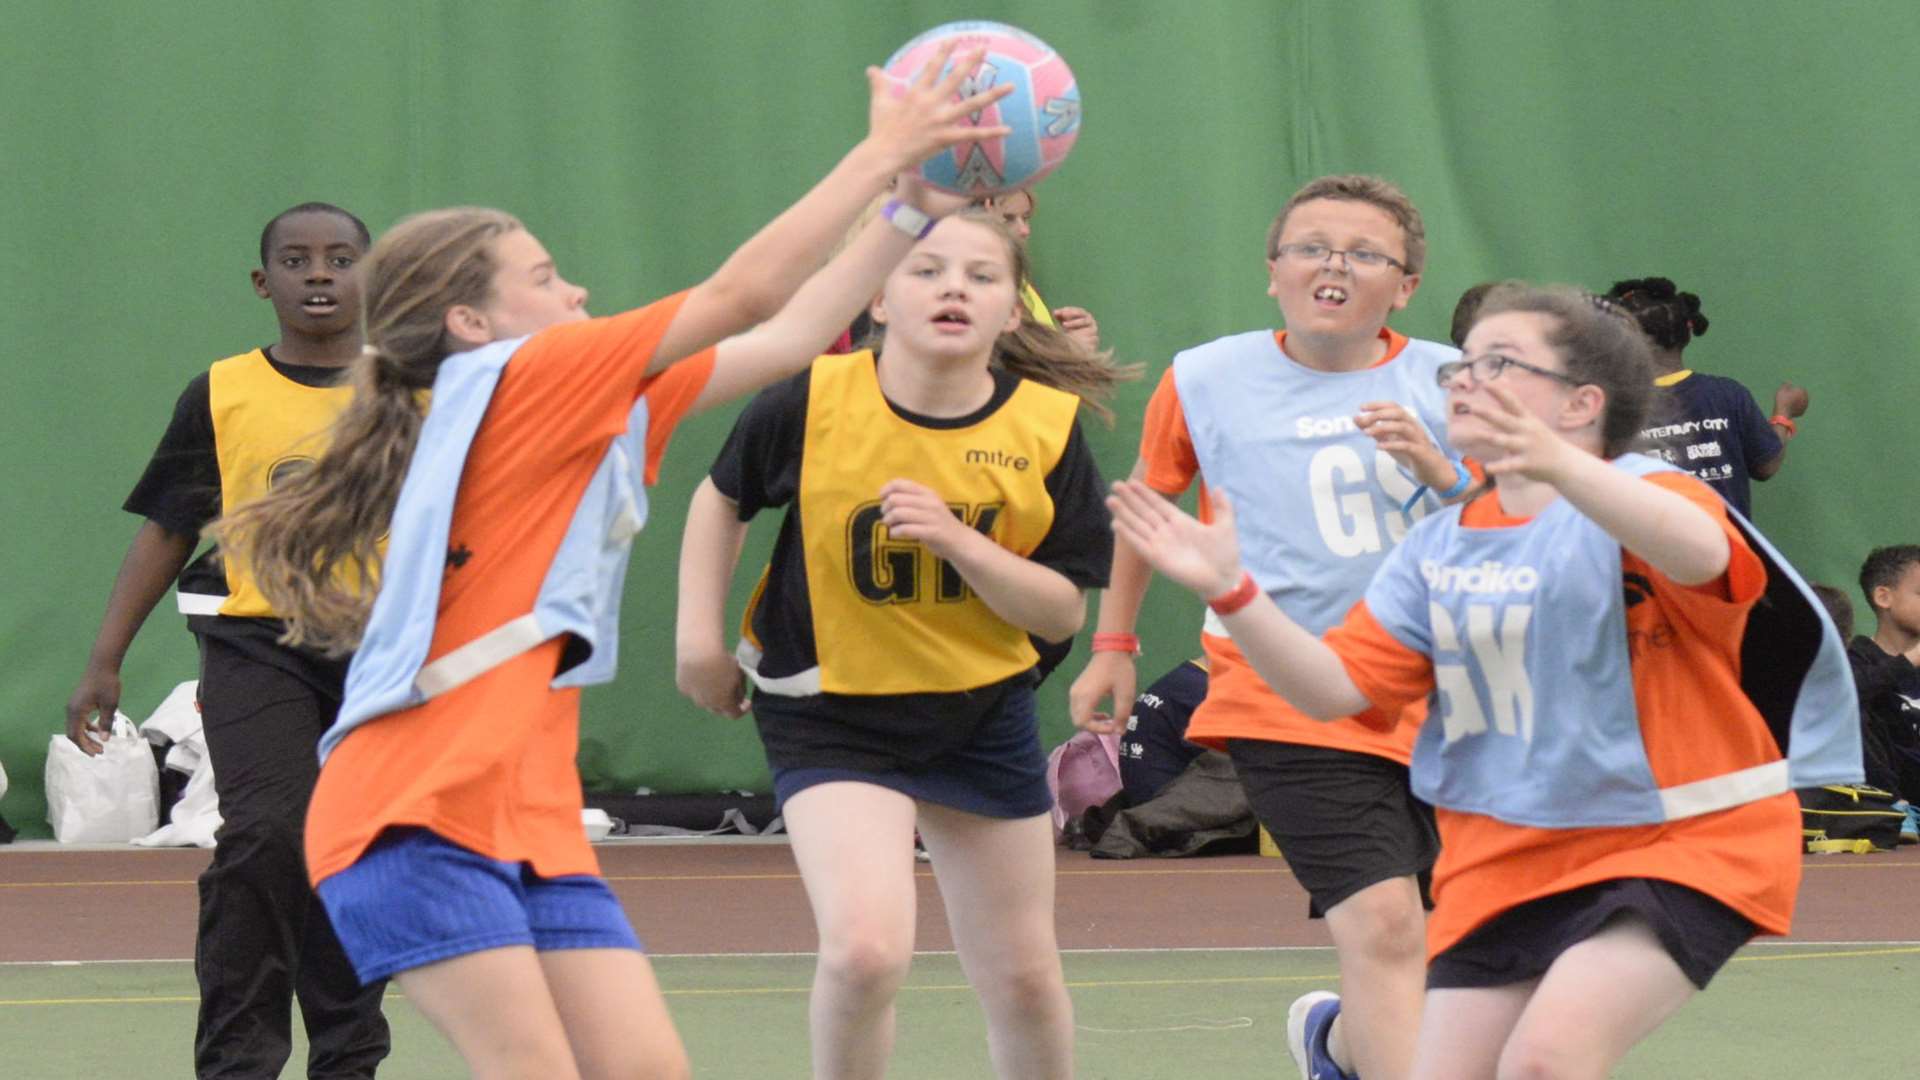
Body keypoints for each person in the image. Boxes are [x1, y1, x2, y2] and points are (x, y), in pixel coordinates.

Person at [214, 50, 1011, 1079]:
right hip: (411, 818)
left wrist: (907, 210)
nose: (577, 288)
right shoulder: (526, 374)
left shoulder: (588, 411)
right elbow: (745, 290)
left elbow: (796, 332)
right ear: (473, 321)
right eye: (546, 278)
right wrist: (876, 155)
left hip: (531, 830)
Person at [1106, 282, 1861, 1080]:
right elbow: (1334, 690)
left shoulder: (1652, 496)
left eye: (1500, 363)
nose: (1465, 378)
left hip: (1681, 837)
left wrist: (1559, 465)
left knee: (1548, 1057)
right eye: (1463, 363)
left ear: (1582, 403)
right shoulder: (1438, 548)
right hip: (1508, 855)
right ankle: (1335, 1045)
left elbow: (1698, 554)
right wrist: (1236, 594)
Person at [675, 205, 1129, 1080]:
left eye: (981, 276)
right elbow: (720, 497)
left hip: (977, 715)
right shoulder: (814, 397)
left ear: (1012, 312)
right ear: (876, 298)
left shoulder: (1046, 426)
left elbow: (1061, 613)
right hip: (830, 711)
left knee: (1026, 978)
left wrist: (962, 543)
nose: (952, 286)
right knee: (867, 951)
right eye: (926, 270)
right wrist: (698, 638)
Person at [1070, 174, 1467, 1080]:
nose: (1334, 264)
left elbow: (1512, 527)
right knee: (1385, 925)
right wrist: (1114, 645)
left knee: (1445, 948)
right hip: (1285, 698)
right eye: (1311, 246)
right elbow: (1148, 507)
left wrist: (1440, 468)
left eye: (1365, 253)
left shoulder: (1449, 382)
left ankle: (1334, 1042)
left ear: (1404, 286)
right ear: (1272, 272)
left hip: (1449, 700)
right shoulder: (1207, 376)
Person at [65, 202, 390, 1079]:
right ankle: (238, 1060)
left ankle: (349, 1056)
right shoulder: (223, 391)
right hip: (258, 644)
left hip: (385, 655)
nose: (319, 273)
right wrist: (106, 659)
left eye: (339, 258)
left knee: (356, 849)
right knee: (268, 835)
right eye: (296, 260)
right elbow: (170, 529)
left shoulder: (415, 390)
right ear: (264, 282)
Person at [1604, 276, 1806, 518]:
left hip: (1648, 550)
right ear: (1689, 329)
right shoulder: (1728, 394)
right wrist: (1784, 412)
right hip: (1728, 549)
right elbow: (1766, 465)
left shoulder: (1612, 407)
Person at [981, 187, 1100, 352]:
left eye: (1025, 218)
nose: (1024, 230)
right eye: (1008, 219)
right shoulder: (979, 288)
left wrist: (1071, 335)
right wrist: (1067, 350)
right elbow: (1006, 362)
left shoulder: (1022, 285)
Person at [1851, 546, 1920, 814]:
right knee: (1852, 707)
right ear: (1883, 597)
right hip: (1894, 793)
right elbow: (1840, 697)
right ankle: (1895, 810)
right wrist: (1908, 662)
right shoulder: (1858, 658)